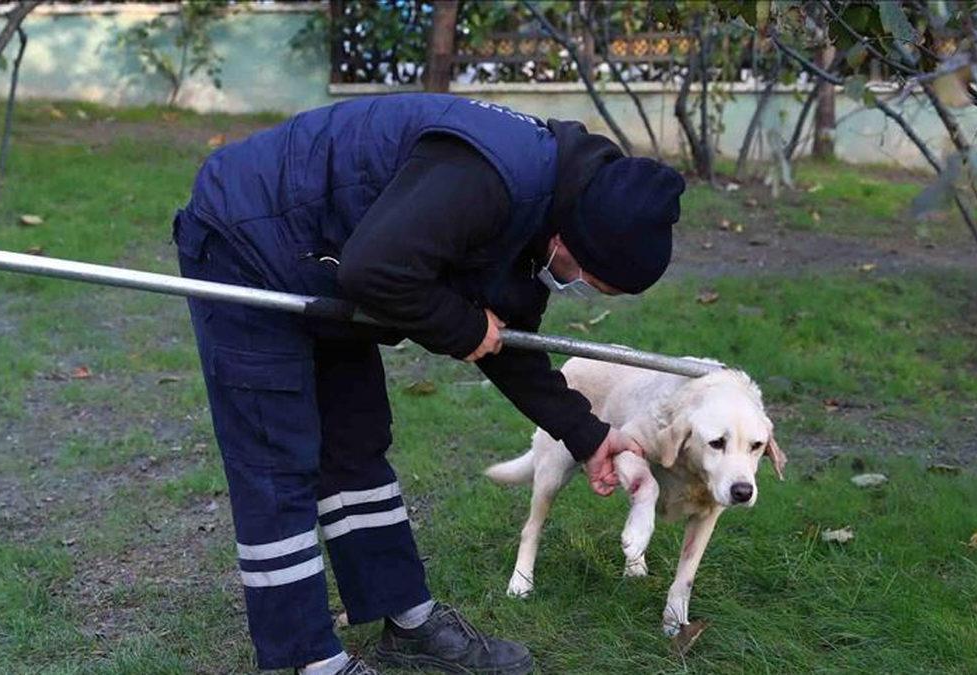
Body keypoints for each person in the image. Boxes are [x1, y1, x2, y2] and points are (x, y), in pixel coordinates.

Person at [173, 93, 685, 674]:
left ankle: (407, 620)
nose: (576, 289)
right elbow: (377, 270)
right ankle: (305, 660)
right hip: (250, 237)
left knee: (355, 441)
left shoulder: (550, 208)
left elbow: (508, 346)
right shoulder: (491, 180)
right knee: (277, 458)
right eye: (587, 281)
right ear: (570, 241)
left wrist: (590, 435)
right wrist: (461, 325)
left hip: (331, 257)